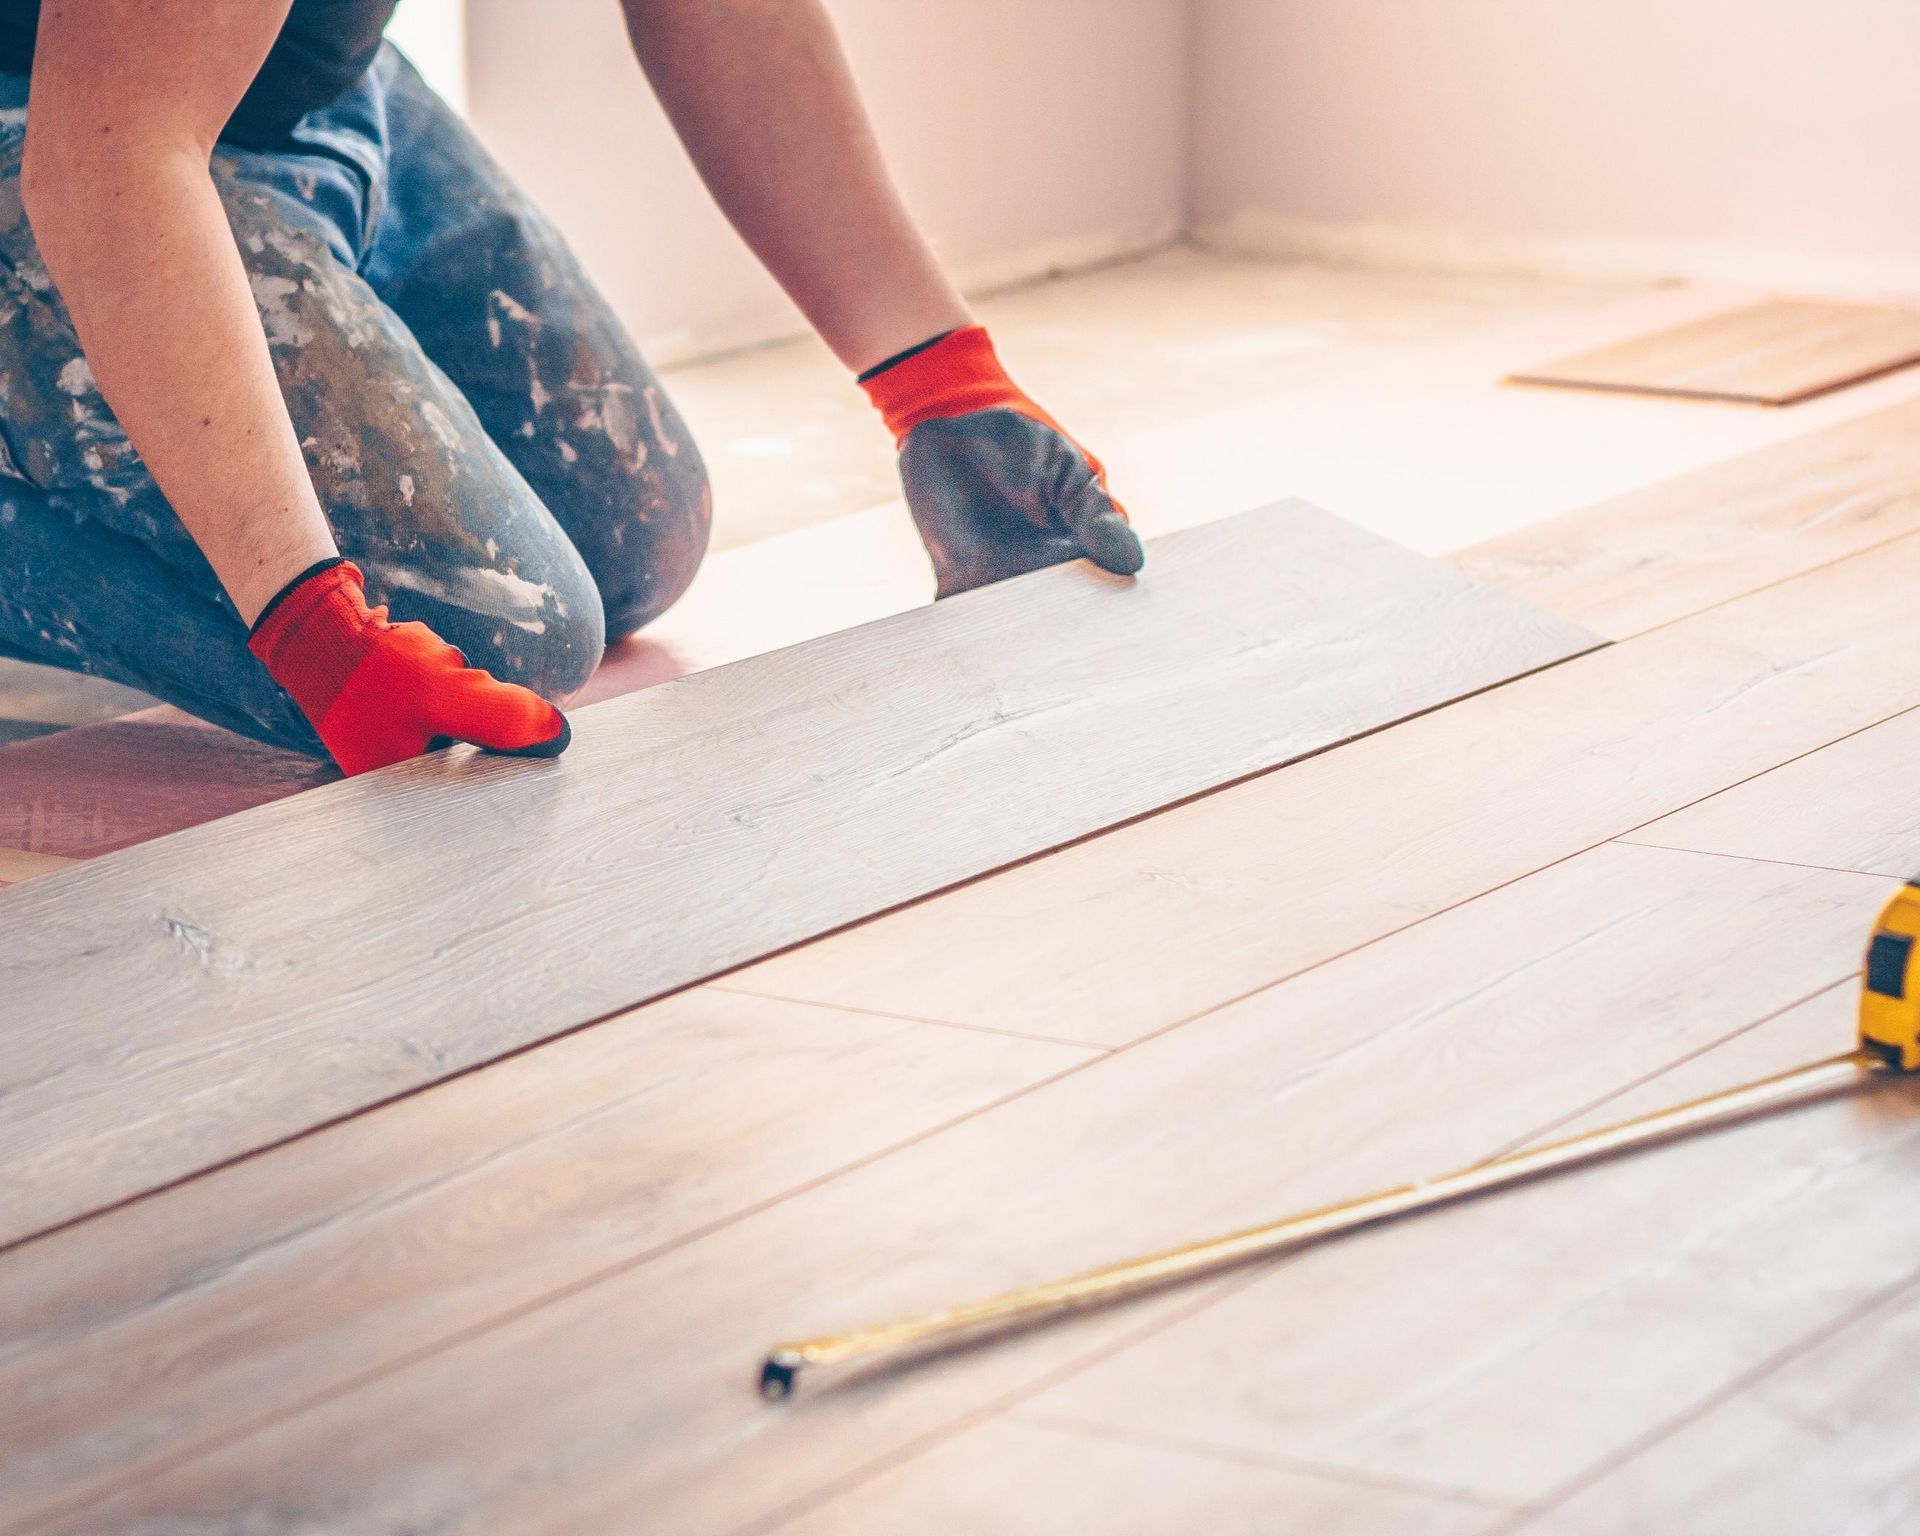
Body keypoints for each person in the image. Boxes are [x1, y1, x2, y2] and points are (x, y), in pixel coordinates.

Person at [0, 0, 1143, 776]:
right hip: (69, 122)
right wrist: (310, 624)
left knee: (639, 539)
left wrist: (941, 385)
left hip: (305, 85)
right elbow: (115, 144)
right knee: (492, 638)